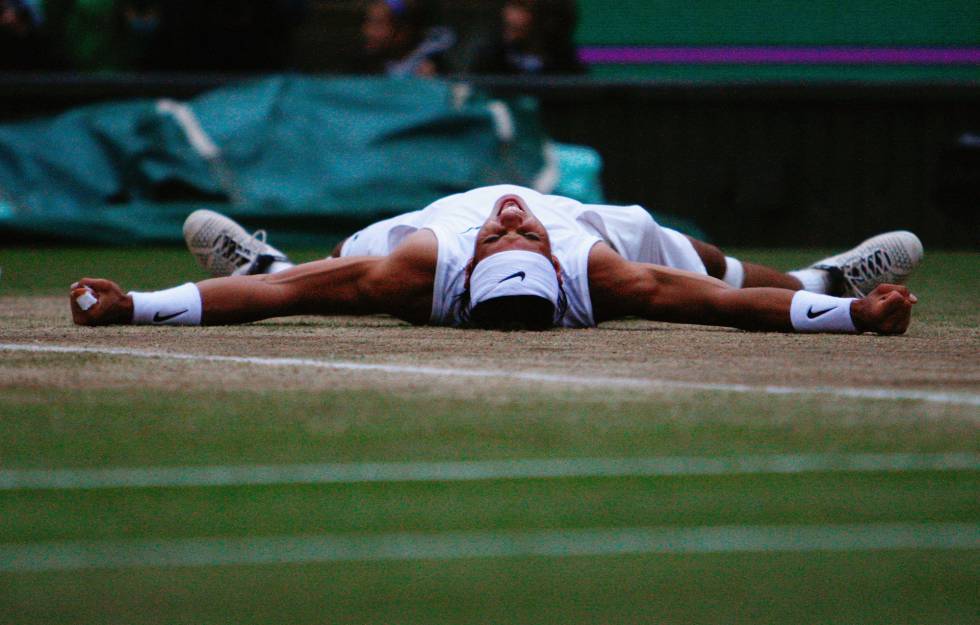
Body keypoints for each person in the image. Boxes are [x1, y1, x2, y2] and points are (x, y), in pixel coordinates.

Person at [70, 184, 922, 335]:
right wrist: (854, 317)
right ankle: (826, 281)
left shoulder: (421, 265)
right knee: (699, 263)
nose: (512, 221)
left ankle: (256, 259)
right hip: (584, 225)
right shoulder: (597, 271)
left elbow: (294, 297)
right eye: (513, 238)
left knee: (324, 268)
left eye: (506, 238)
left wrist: (134, 304)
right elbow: (718, 303)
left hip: (425, 227)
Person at [466, 0, 585, 75]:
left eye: (521, 7)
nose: (509, 16)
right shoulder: (490, 57)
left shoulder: (567, 64)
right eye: (511, 5)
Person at [350, 0, 455, 77]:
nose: (367, 31)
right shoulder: (362, 63)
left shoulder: (429, 71)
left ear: (403, 31)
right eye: (367, 22)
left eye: (378, 24)